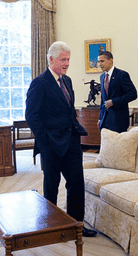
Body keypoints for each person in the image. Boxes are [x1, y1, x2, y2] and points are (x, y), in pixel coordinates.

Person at [25, 41, 97, 237]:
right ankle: (52, 226)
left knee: (76, 183)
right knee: (52, 185)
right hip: (51, 144)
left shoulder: (67, 81)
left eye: (68, 60)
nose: (67, 63)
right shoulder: (40, 83)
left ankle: (76, 226)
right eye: (63, 59)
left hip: (72, 142)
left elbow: (68, 110)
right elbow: (32, 116)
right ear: (51, 59)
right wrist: (44, 143)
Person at [97, 51, 138, 133]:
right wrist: (100, 118)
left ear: (110, 60)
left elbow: (133, 94)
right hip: (105, 121)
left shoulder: (122, 75)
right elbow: (103, 100)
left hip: (119, 120)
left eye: (102, 61)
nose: (100, 64)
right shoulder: (102, 77)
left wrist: (114, 102)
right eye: (98, 62)